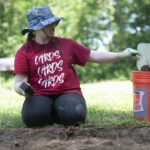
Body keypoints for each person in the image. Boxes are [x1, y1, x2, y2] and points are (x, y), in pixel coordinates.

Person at [14, 6, 138, 127]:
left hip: (67, 92)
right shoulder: (24, 52)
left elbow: (93, 55)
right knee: (33, 118)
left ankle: (60, 112)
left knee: (75, 115)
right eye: (48, 24)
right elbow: (19, 82)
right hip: (39, 94)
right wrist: (22, 88)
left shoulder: (67, 44)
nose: (53, 26)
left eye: (53, 23)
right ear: (36, 29)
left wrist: (121, 55)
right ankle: (51, 111)